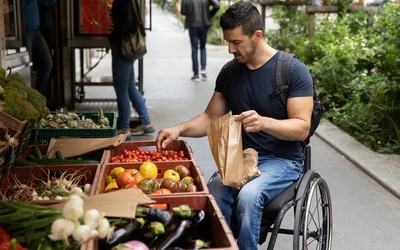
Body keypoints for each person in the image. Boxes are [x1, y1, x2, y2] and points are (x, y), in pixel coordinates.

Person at [155, 1, 314, 249]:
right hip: (239, 160)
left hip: (283, 160)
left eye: (236, 42)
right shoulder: (230, 72)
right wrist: (178, 129)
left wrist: (264, 123)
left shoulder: (292, 71)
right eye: (228, 41)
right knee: (213, 191)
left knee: (250, 195)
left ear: (257, 36)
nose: (230, 49)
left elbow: (302, 127)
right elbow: (210, 117)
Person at [108, 0, 155, 139]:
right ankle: (146, 122)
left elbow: (125, 23)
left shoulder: (122, 2)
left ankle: (123, 127)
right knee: (130, 87)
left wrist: (112, 37)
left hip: (123, 47)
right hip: (130, 48)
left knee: (121, 89)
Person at [181, 0, 220, 81]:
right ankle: (203, 68)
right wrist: (209, 15)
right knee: (203, 47)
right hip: (204, 24)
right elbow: (217, 5)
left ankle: (196, 74)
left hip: (192, 25)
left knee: (194, 49)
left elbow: (183, 11)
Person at [24, 0, 56, 96]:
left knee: (47, 64)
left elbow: (47, 2)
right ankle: (26, 100)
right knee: (27, 67)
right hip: (25, 31)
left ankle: (39, 97)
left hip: (36, 30)